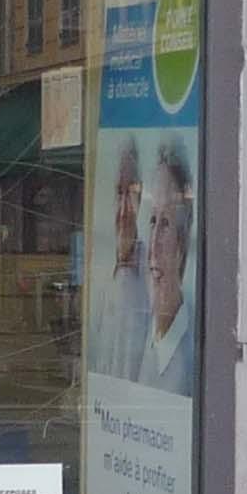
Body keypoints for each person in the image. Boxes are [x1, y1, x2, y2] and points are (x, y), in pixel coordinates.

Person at [136, 142, 199, 398]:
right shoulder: (145, 332)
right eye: (153, 221)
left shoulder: (191, 357)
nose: (153, 247)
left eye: (166, 224)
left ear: (182, 243)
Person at [93, 139, 153, 377]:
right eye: (120, 193)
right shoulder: (101, 278)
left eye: (133, 193)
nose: (125, 209)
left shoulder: (153, 279)